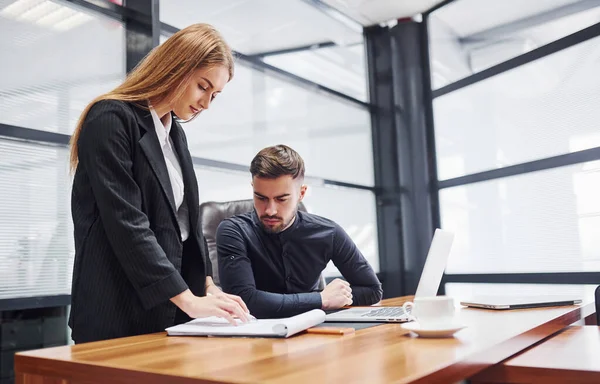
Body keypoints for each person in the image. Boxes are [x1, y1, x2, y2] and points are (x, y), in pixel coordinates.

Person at [68, 23, 249, 344]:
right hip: (115, 311)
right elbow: (127, 225)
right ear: (175, 69)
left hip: (165, 314)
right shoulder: (110, 118)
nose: (206, 104)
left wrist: (207, 285)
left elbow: (186, 226)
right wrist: (189, 299)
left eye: (215, 95)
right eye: (202, 87)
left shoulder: (174, 134)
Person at [217, 145, 383, 318]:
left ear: (301, 193)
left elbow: (372, 290)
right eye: (261, 198)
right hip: (252, 337)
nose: (270, 210)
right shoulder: (232, 231)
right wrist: (320, 299)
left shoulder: (328, 232)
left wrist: (336, 297)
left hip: (314, 331)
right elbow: (245, 301)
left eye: (281, 199)